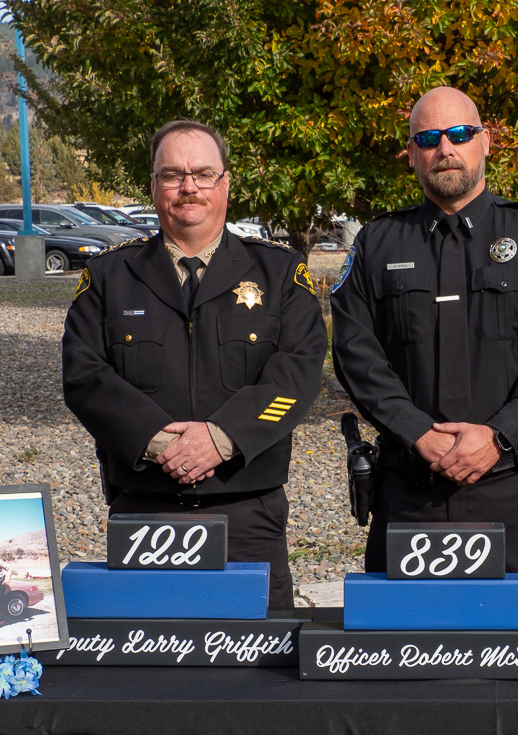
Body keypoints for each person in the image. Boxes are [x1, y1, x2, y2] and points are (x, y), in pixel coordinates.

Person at [328, 87, 518, 604]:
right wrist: (416, 432)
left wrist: (499, 435)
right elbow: (356, 353)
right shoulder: (377, 244)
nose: (445, 148)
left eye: (460, 134)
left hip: (511, 490)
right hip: (409, 493)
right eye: (428, 138)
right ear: (411, 154)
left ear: (485, 142)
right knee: (404, 641)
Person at [62, 120, 327, 608]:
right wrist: (163, 445)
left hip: (247, 509)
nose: (189, 187)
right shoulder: (109, 275)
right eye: (172, 175)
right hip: (144, 508)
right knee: (147, 645)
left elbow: (300, 371)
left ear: (225, 184)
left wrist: (221, 438)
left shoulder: (280, 272)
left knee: (257, 650)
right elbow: (84, 377)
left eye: (203, 174)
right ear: (153, 186)